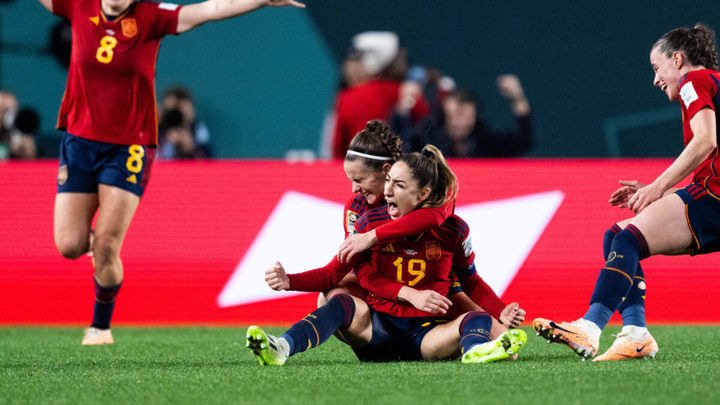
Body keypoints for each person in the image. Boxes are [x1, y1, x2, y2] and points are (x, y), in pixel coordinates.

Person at [35, 0, 306, 345]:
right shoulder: (78, 6)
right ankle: (92, 245)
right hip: (79, 141)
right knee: (70, 246)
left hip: (128, 147)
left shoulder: (151, 17)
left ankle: (100, 326)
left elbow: (212, 9)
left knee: (105, 246)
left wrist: (263, 0)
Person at [533, 23, 720, 361]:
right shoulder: (715, 83)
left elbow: (705, 141)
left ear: (677, 59)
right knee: (618, 235)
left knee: (625, 239)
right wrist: (657, 191)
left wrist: (657, 188)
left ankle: (591, 327)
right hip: (710, 196)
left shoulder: (695, 81)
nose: (655, 79)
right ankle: (635, 334)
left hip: (715, 198)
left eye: (656, 67)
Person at [248, 145, 527, 365]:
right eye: (389, 181)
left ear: (423, 194)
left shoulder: (453, 229)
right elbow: (333, 273)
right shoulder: (368, 220)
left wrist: (500, 309)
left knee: (476, 321)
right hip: (377, 328)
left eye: (399, 185)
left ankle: (476, 353)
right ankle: (281, 347)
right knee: (338, 302)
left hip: (426, 334)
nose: (387, 191)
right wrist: (289, 281)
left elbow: (472, 281)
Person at [331, 31, 430, 159]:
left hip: (356, 172)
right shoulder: (406, 92)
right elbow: (428, 129)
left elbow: (337, 146)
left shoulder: (346, 97)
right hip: (399, 172)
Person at [393, 76, 533, 157]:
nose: (459, 121)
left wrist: (518, 98)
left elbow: (523, 141)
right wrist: (403, 108)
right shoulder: (427, 139)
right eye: (455, 114)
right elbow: (400, 146)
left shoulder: (486, 141)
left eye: (466, 114)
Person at [158, 86, 212, 159]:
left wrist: (189, 147)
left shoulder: (197, 129)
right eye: (170, 111)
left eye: (178, 111)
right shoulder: (156, 129)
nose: (174, 115)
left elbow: (208, 159)